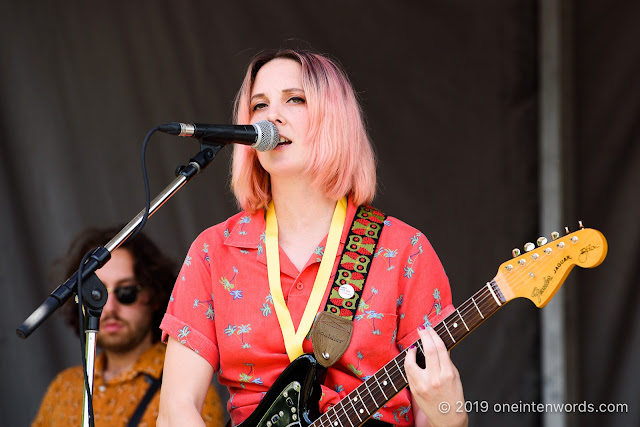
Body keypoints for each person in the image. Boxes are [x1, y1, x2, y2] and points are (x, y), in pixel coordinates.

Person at [158, 49, 468, 427]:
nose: (272, 116)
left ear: (334, 119)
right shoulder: (215, 251)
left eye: (295, 99)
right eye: (259, 105)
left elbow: (433, 415)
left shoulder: (404, 250)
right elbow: (177, 408)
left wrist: (447, 411)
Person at [32, 225, 224, 426]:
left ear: (154, 295)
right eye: (96, 294)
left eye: (126, 292)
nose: (109, 308)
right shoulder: (63, 387)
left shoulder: (188, 391)